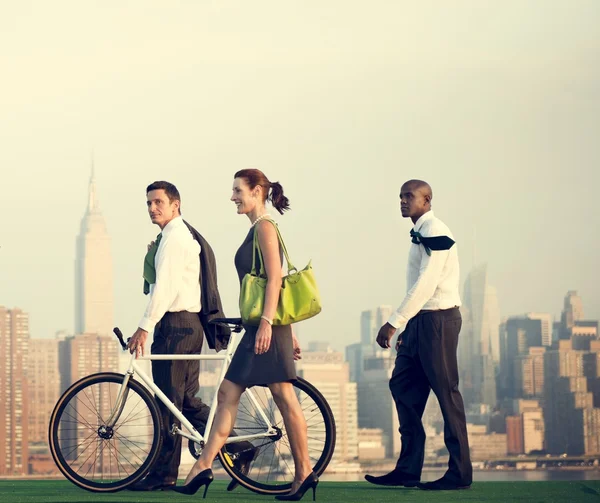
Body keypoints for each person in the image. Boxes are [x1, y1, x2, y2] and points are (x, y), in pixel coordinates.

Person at [174, 169, 316, 501]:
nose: (233, 196)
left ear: (256, 192)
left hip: (264, 329)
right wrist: (283, 328)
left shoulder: (265, 228)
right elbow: (273, 283)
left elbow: (276, 279)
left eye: (238, 190)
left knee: (283, 398)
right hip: (264, 328)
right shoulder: (257, 229)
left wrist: (269, 323)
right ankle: (204, 465)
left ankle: (304, 472)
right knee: (228, 393)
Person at [127, 180, 254, 491]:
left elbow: (167, 289)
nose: (152, 208)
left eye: (158, 202)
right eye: (148, 203)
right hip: (184, 326)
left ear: (175, 205)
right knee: (183, 403)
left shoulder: (176, 239)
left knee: (167, 403)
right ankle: (240, 447)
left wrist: (144, 326)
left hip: (178, 326)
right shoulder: (172, 237)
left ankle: (163, 476)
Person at [364, 179, 472, 491]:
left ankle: (460, 474)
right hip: (421, 323)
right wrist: (408, 328)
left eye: (409, 196)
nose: (402, 201)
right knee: (402, 385)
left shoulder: (436, 230)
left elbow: (427, 283)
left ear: (426, 200)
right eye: (400, 196)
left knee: (446, 394)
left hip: (438, 321)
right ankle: (408, 470)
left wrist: (394, 321)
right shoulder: (420, 233)